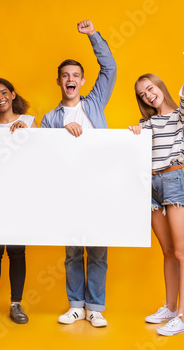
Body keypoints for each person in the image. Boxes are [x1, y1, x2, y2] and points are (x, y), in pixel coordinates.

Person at [41, 19, 116, 327]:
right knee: (73, 252)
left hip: (98, 186)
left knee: (97, 250)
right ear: (59, 81)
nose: (70, 79)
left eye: (75, 75)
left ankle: (95, 307)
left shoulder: (94, 104)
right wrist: (61, 131)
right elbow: (43, 154)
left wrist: (93, 36)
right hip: (68, 190)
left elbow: (110, 68)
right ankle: (75, 305)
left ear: (83, 81)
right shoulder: (50, 118)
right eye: (65, 76)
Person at [129, 53, 184, 336]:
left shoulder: (179, 117)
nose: (148, 95)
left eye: (150, 88)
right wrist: (135, 133)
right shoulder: (146, 124)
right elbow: (133, 153)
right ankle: (170, 308)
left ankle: (182, 318)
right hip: (151, 186)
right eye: (142, 94)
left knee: (182, 252)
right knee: (168, 251)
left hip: (173, 181)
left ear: (160, 86)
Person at [0, 78, 37, 324]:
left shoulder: (31, 122)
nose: (0, 97)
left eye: (4, 92)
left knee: (17, 252)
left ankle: (16, 304)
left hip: (19, 197)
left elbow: (40, 156)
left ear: (13, 95)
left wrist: (29, 136)